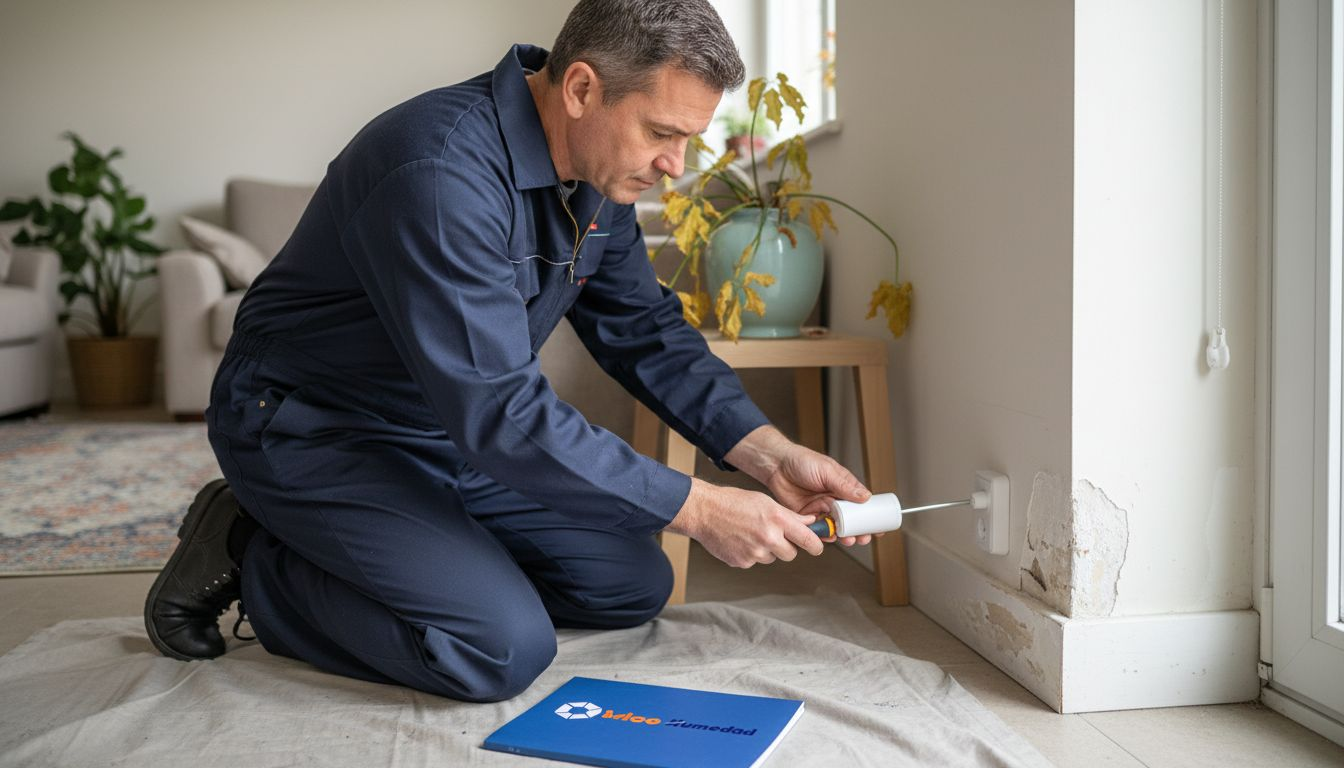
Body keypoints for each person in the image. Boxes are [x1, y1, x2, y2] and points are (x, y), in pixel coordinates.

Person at [144, 0, 874, 703]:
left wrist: (771, 455)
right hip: (313, 427)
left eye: (689, 139)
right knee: (497, 648)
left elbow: (644, 330)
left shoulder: (598, 178)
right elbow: (499, 411)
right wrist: (703, 508)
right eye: (661, 132)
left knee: (631, 584)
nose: (674, 165)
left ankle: (427, 558)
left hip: (445, 426)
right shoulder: (437, 172)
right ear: (582, 89)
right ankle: (253, 554)